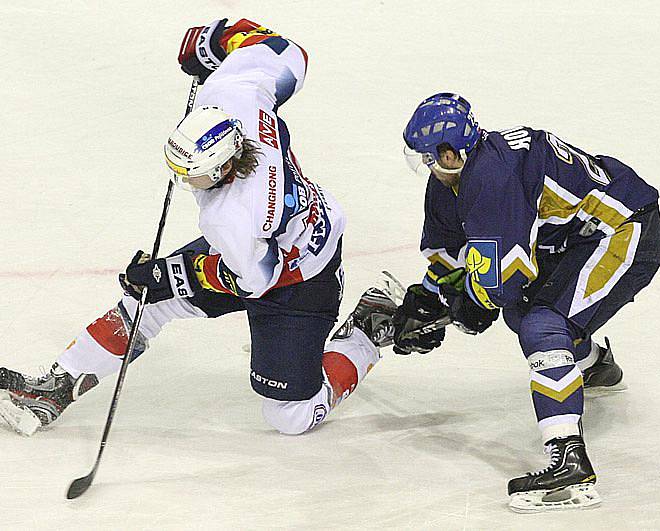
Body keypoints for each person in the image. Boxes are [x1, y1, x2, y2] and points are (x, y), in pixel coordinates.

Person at [0, 18, 398, 438]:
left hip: (302, 278)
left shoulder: (233, 217)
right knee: (144, 304)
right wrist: (217, 41)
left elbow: (255, 282)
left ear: (225, 166)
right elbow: (285, 51)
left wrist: (173, 275)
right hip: (282, 236)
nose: (186, 181)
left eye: (194, 174)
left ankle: (369, 328)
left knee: (290, 416)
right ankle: (54, 388)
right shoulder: (233, 95)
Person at [392, 93, 660, 512]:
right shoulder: (458, 174)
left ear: (450, 153)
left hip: (622, 231)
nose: (429, 167)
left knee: (542, 325)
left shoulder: (490, 179)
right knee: (524, 315)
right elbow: (453, 250)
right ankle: (592, 366)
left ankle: (570, 462)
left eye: (431, 158)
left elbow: (500, 282)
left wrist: (463, 305)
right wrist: (426, 298)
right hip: (574, 239)